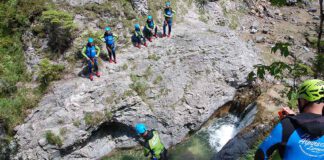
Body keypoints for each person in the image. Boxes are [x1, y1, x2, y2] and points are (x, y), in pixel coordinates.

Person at [254, 79, 324, 160]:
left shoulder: (288, 125)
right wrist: (294, 118)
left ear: (303, 101)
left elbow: (261, 154)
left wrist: (290, 122)